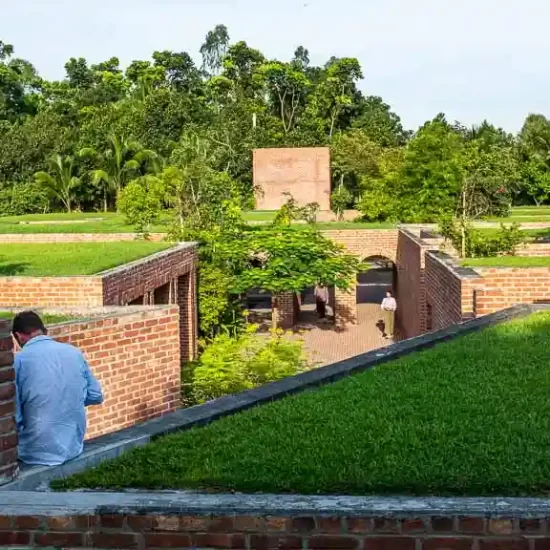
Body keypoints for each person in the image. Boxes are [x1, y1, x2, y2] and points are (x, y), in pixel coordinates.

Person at [12, 311, 104, 466]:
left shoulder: (18, 361)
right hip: (73, 447)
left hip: (32, 452)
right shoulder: (74, 353)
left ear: (19, 336)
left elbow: (16, 417)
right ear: (43, 329)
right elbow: (95, 395)